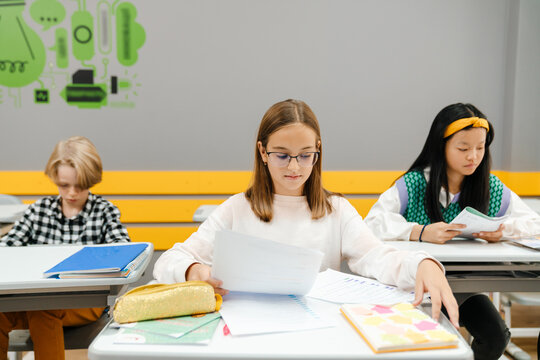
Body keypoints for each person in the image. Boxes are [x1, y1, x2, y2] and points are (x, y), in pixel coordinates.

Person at [153, 99, 459, 328]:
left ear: (318, 152)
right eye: (281, 156)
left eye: (305, 156)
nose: (294, 167)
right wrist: (197, 272)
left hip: (318, 330)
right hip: (250, 331)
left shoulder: (336, 210)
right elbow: (169, 260)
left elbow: (377, 257)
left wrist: (423, 264)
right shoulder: (237, 209)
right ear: (262, 152)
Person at [364, 103, 540, 359]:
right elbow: (371, 223)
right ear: (441, 146)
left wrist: (503, 231)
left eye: (480, 148)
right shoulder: (414, 184)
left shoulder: (491, 187)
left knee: (496, 337)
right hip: (415, 288)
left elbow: (534, 224)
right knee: (430, 345)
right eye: (463, 148)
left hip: (465, 287)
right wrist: (420, 231)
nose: (473, 157)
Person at [0, 136, 130, 360]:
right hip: (34, 299)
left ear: (91, 180)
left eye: (80, 186)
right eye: (64, 185)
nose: (71, 193)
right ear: (54, 179)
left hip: (83, 302)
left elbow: (125, 253)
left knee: (44, 307)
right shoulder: (39, 210)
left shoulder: (104, 211)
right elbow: (7, 248)